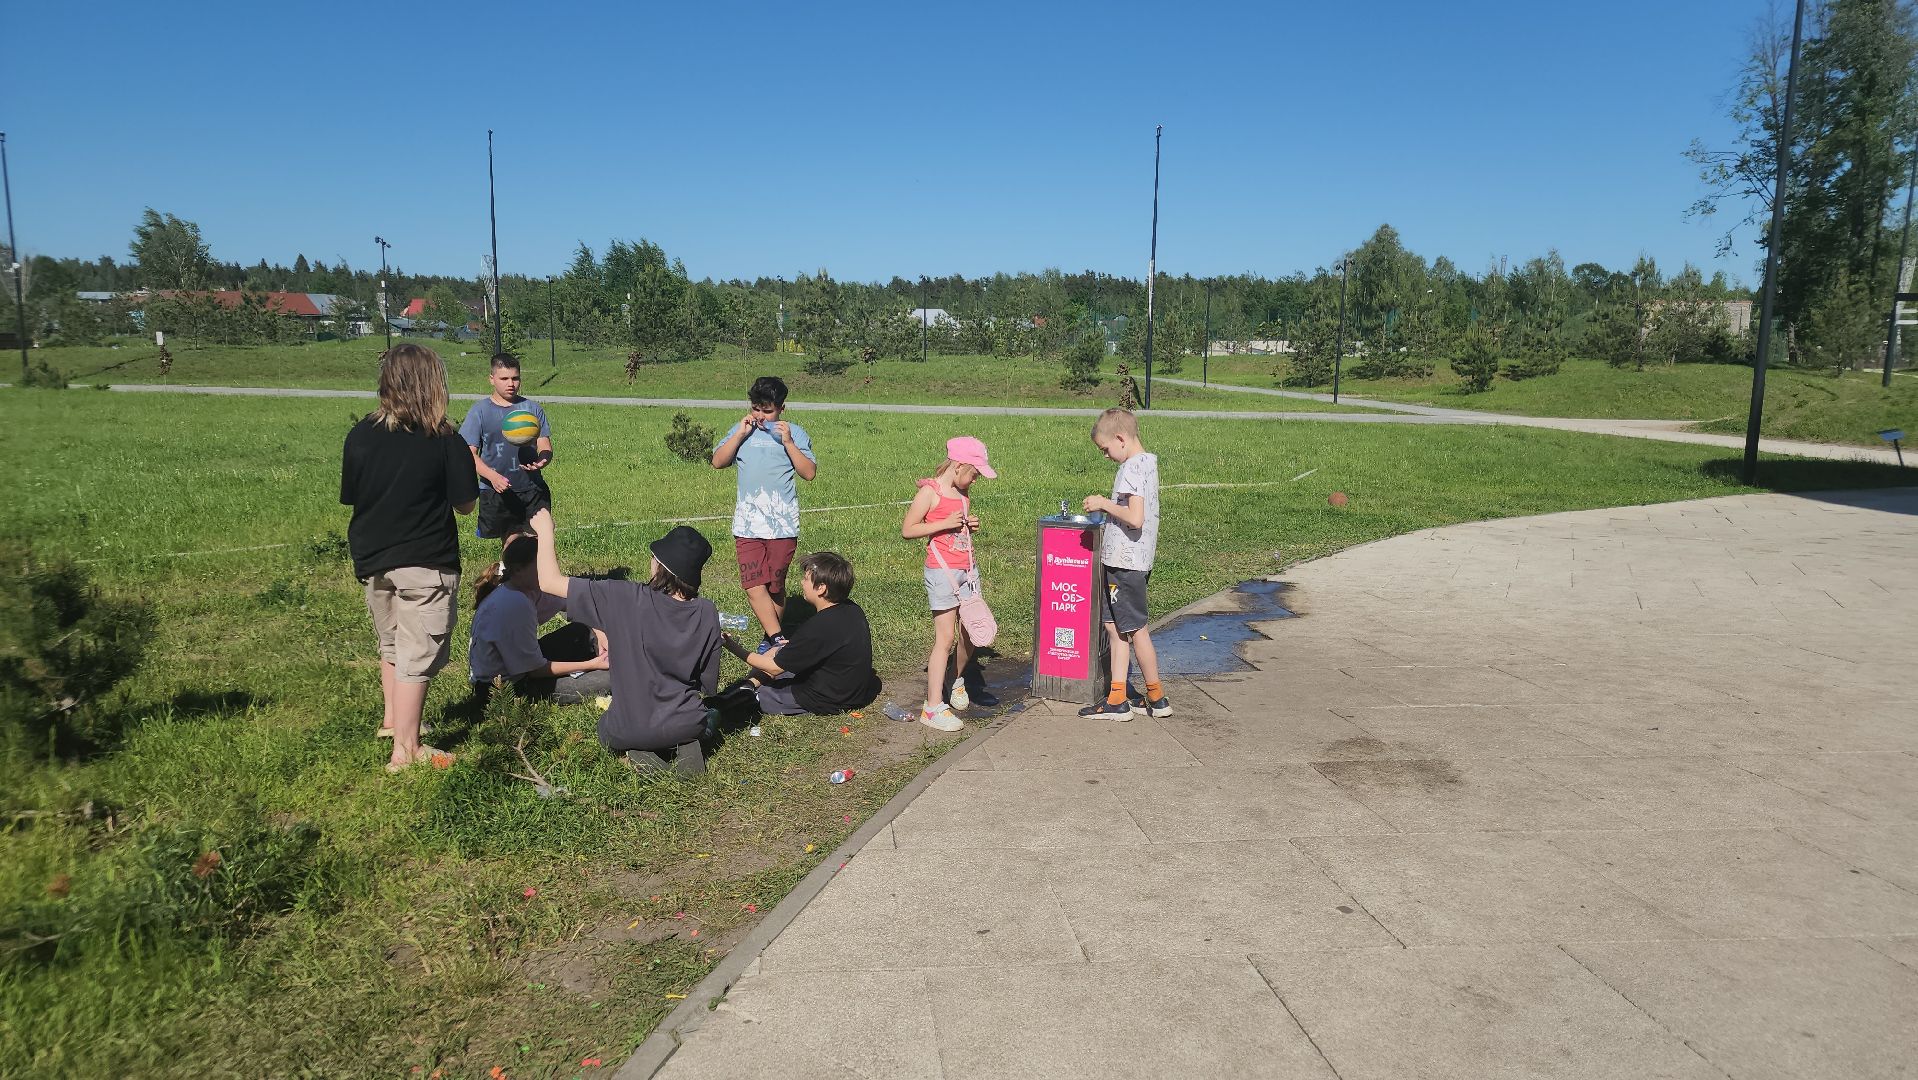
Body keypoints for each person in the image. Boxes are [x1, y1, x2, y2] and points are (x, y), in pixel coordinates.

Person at [340, 344, 477, 772]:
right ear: (432, 385)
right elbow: (466, 504)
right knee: (419, 654)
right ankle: (407, 751)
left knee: (394, 643)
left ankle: (392, 722)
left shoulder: (360, 434)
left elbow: (352, 496)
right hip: (425, 561)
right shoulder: (443, 438)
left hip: (373, 559)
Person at [525, 508, 722, 776]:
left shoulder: (625, 596)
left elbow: (549, 582)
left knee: (605, 729)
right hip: (687, 721)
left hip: (629, 725)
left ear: (660, 565)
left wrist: (546, 531)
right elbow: (706, 683)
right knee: (704, 718)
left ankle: (641, 752)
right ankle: (686, 744)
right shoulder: (707, 612)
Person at [710, 376, 816, 653]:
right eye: (756, 408)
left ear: (782, 408)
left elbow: (809, 473)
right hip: (747, 524)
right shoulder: (742, 430)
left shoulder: (795, 433)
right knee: (752, 583)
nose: (760, 416)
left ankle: (769, 639)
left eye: (767, 411)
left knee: (774, 587)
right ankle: (778, 639)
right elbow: (718, 462)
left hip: (783, 526)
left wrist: (789, 443)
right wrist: (739, 435)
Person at [900, 436, 997, 732]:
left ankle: (954, 678)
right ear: (957, 466)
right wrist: (944, 524)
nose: (976, 479)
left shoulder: (962, 491)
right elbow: (908, 529)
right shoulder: (930, 493)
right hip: (942, 573)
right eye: (974, 473)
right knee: (945, 639)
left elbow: (957, 530)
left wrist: (970, 524)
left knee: (971, 632)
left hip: (967, 570)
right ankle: (932, 707)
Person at [1080, 408, 1170, 720]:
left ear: (1120, 439)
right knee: (1115, 625)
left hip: (1125, 561)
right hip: (1133, 560)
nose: (1105, 456)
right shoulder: (1148, 463)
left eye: (1105, 449)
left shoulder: (1131, 468)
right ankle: (1118, 696)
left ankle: (1156, 694)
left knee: (1135, 628)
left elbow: (1134, 517)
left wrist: (1104, 504)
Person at [722, 551, 880, 716]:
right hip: (851, 689)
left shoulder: (819, 626)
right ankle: (748, 684)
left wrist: (731, 646)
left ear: (821, 588)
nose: (801, 582)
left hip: (826, 698)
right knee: (778, 650)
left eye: (806, 579)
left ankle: (747, 692)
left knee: (760, 695)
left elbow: (774, 668)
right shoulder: (851, 609)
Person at [468, 536, 611, 705]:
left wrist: (600, 632)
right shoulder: (515, 604)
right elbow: (536, 670)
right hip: (506, 689)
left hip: (523, 667)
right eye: (541, 565)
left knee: (584, 630)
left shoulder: (523, 587)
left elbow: (570, 604)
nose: (548, 570)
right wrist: (591, 664)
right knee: (611, 679)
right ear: (519, 570)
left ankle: (615, 654)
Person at [460, 353, 553, 551]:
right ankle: (510, 580)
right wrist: (492, 476)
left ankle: (535, 581)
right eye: (504, 378)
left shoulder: (532, 409)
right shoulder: (480, 410)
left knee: (536, 543)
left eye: (515, 378)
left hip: (532, 488)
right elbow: (468, 453)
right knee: (511, 545)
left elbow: (544, 443)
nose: (511, 383)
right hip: (497, 490)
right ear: (491, 379)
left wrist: (544, 458)